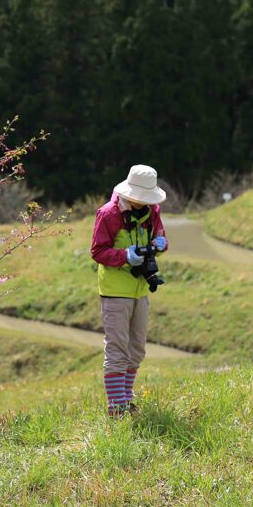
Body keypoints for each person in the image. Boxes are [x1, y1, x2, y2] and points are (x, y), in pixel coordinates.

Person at [90, 164, 168, 417]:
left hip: (141, 288)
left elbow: (160, 236)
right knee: (117, 350)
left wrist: (160, 243)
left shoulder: (152, 211)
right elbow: (98, 251)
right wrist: (125, 256)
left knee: (136, 350)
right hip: (115, 290)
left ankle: (126, 401)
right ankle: (117, 408)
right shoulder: (108, 214)